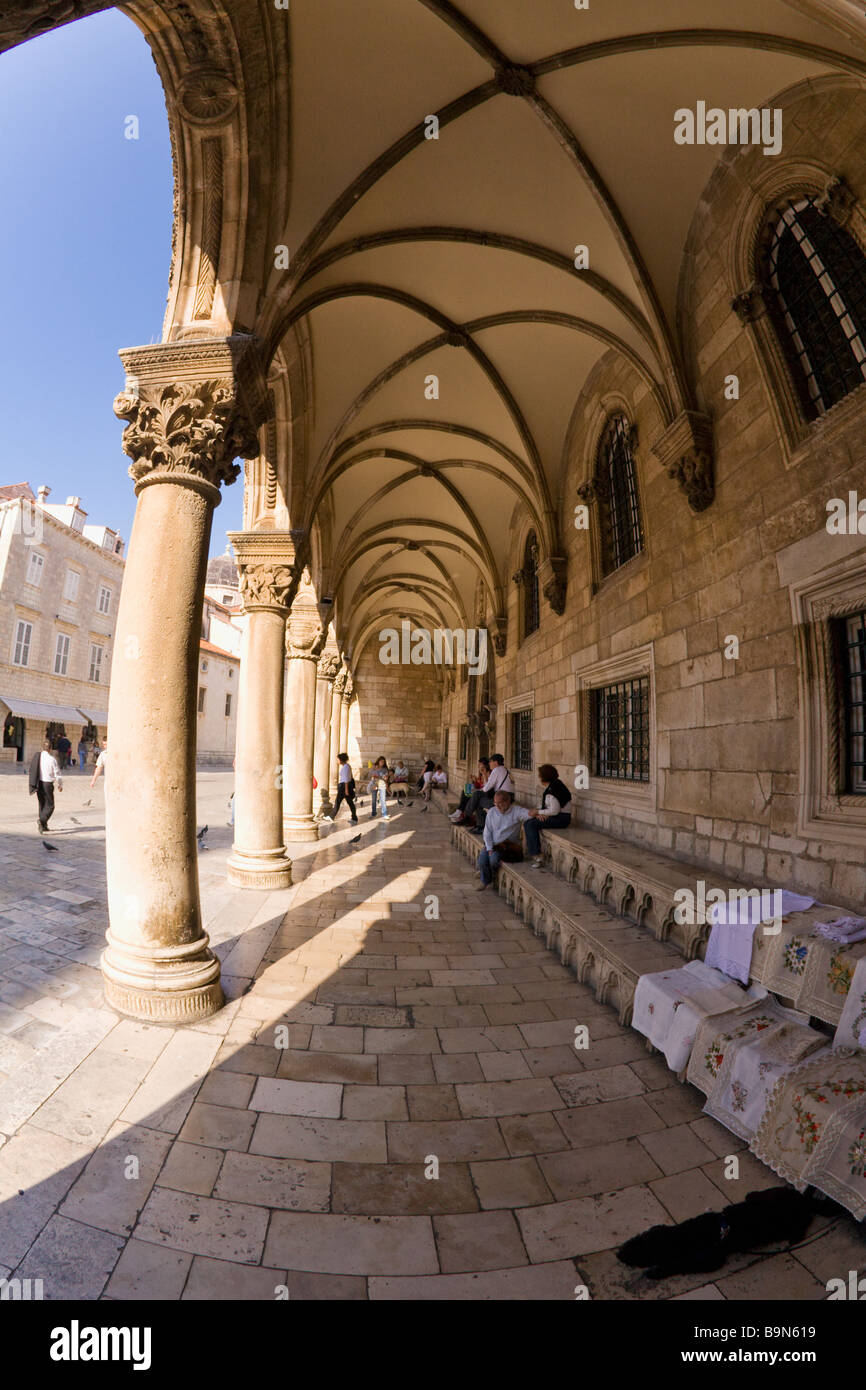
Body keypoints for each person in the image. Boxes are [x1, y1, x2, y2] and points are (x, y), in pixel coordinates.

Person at [476, 789, 529, 891]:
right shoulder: (492, 812)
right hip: (493, 844)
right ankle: (485, 878)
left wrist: (540, 813)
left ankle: (486, 874)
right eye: (496, 803)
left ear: (507, 801)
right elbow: (487, 832)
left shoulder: (516, 811)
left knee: (493, 860)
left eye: (500, 803)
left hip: (506, 847)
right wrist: (489, 848)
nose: (498, 806)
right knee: (482, 859)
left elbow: (529, 814)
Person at [523, 764, 573, 867]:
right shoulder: (555, 785)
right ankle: (534, 853)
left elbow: (554, 810)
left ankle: (537, 855)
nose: (539, 777)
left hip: (561, 819)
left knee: (530, 824)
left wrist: (538, 812)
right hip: (559, 817)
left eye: (540, 775)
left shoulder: (553, 789)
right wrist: (538, 812)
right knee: (530, 821)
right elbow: (548, 807)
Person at [458, 754, 515, 834]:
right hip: (508, 798)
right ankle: (477, 824)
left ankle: (468, 817)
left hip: (502, 800)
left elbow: (486, 788)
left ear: (495, 762)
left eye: (490, 762)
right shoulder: (505, 770)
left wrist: (477, 791)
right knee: (478, 798)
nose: (489, 764)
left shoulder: (497, 770)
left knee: (478, 796)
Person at [29, 737, 62, 833]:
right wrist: (60, 785)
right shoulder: (52, 759)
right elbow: (57, 774)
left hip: (38, 783)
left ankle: (44, 826)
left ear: (42, 748)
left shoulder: (37, 757)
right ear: (50, 749)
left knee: (42, 804)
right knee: (50, 805)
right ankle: (42, 821)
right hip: (48, 784)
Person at [332, 752, 358, 824]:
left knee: (338, 801)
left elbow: (346, 779)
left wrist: (346, 790)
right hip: (345, 786)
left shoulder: (346, 767)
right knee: (350, 803)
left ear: (341, 760)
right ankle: (354, 818)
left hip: (344, 786)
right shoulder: (347, 766)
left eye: (338, 759)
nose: (337, 761)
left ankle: (331, 816)